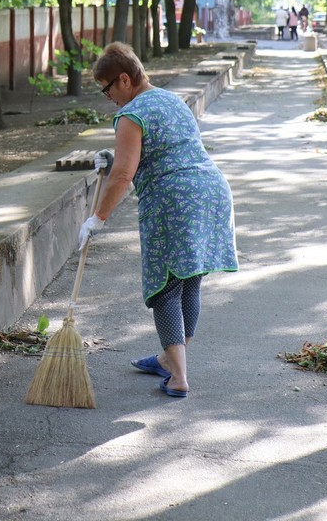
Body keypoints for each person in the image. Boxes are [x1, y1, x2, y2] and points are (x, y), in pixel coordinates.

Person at [78, 42, 238, 398]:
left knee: (165, 288)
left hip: (174, 202)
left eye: (107, 89)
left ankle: (179, 376)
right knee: (189, 282)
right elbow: (160, 147)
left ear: (124, 79)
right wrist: (113, 153)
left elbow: (122, 176)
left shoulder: (131, 114)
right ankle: (168, 358)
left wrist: (97, 219)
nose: (107, 97)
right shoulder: (170, 100)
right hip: (210, 192)